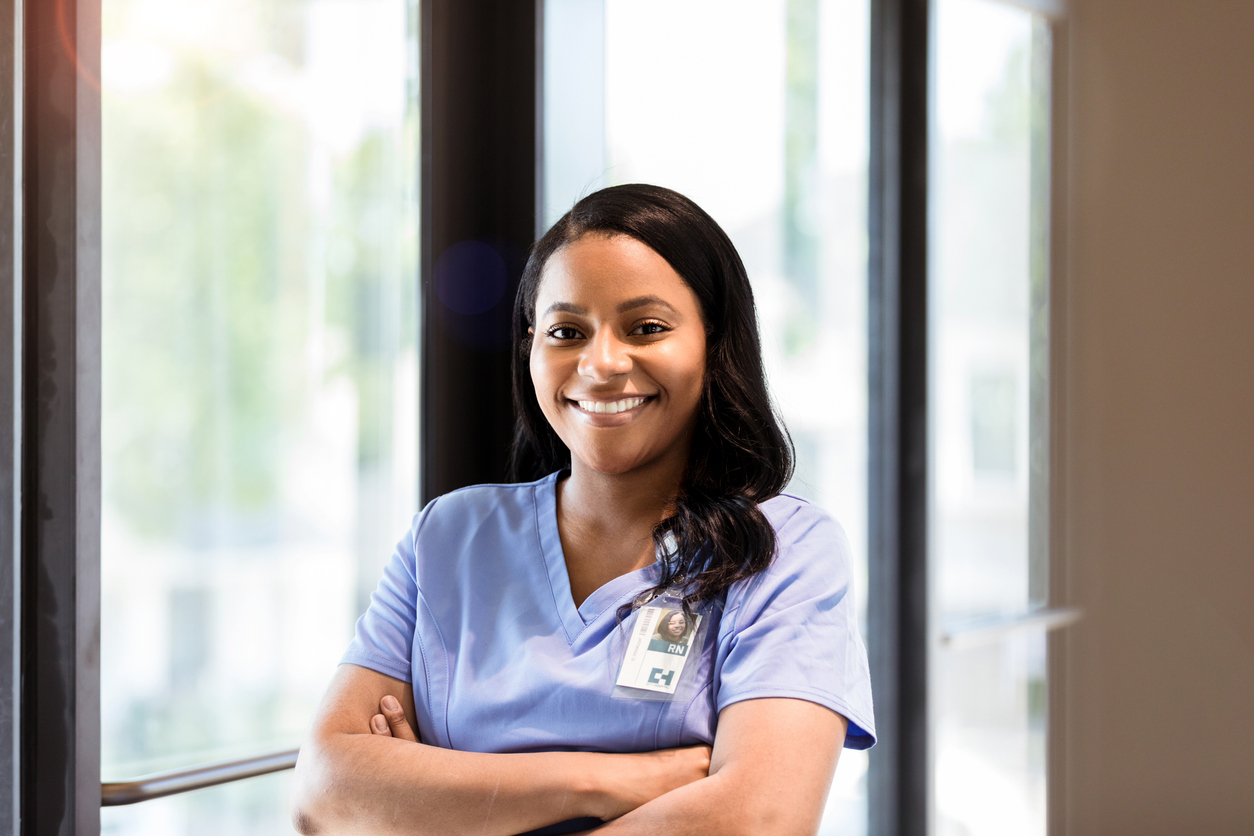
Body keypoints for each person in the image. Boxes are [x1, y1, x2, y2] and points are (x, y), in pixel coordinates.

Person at [291, 184, 875, 836]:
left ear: (714, 341)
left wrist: (437, 801)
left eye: (646, 328)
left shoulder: (783, 549)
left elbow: (758, 818)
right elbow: (324, 792)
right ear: (531, 348)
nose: (601, 364)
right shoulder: (450, 537)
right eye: (567, 331)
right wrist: (616, 781)